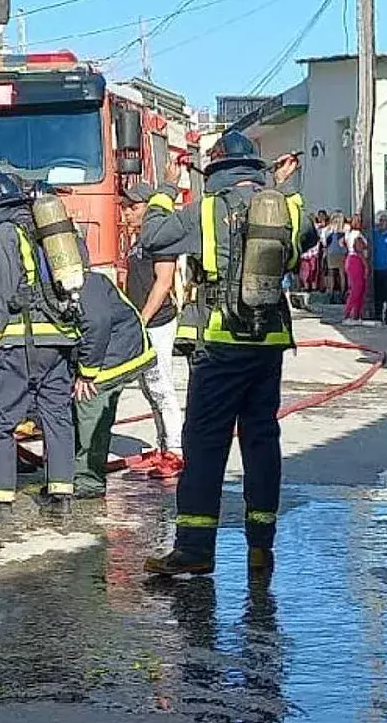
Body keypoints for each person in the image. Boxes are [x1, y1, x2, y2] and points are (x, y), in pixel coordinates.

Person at [139, 133, 316, 577]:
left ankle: (195, 549)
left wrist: (165, 189)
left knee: (205, 445)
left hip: (220, 344)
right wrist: (276, 187)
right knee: (261, 440)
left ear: (214, 170)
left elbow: (152, 237)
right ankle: (261, 546)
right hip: (269, 345)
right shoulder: (288, 207)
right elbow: (307, 240)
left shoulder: (204, 209)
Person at [0, 172, 80, 523]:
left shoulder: (4, 234)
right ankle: (61, 495)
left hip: (20, 342)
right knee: (57, 417)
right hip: (59, 341)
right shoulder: (48, 230)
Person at [71, 268, 156, 499]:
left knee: (89, 407)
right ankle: (74, 474)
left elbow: (97, 324)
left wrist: (87, 373)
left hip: (115, 354)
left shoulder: (85, 283)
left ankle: (89, 481)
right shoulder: (81, 282)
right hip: (108, 347)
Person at [120, 184, 185, 477]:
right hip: (141, 321)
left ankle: (175, 450)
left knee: (161, 385)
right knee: (148, 387)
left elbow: (163, 282)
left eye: (132, 207)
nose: (126, 212)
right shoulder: (137, 240)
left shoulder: (160, 238)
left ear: (148, 206)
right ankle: (162, 447)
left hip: (158, 322)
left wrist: (143, 319)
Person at [343, 213, 368, 322]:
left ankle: (355, 314)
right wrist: (366, 265)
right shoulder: (357, 234)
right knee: (357, 288)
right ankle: (349, 313)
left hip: (350, 259)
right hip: (356, 260)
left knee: (357, 288)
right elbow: (359, 249)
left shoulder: (349, 233)